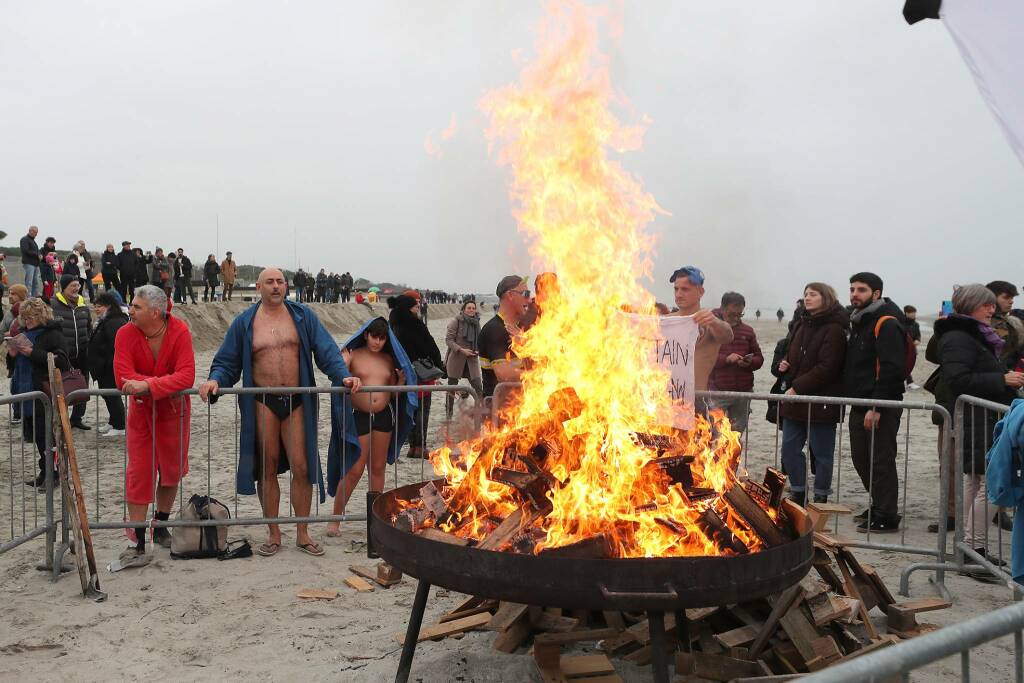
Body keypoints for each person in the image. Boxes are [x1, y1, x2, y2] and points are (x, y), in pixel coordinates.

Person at [199, 268, 361, 558]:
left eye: (280, 282)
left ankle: (302, 532)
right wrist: (216, 379)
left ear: (286, 286)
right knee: (267, 466)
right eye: (270, 282)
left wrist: (342, 376)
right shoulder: (245, 323)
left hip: (297, 399)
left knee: (302, 466)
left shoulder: (302, 316)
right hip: (262, 400)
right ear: (258, 286)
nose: (276, 287)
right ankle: (274, 533)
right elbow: (227, 361)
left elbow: (326, 352)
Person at [931, 284, 1022, 570]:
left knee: (977, 482)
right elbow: (959, 380)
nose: (992, 309)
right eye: (987, 305)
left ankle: (971, 547)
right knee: (991, 484)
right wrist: (1002, 381)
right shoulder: (959, 337)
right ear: (971, 305)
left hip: (980, 417)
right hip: (977, 417)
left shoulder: (969, 334)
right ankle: (974, 549)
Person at [113, 285, 195, 567]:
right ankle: (135, 539)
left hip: (174, 412)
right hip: (141, 415)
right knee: (139, 472)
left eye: (136, 307)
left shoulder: (180, 330)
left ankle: (160, 524)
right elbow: (123, 376)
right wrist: (153, 386)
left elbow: (187, 375)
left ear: (155, 312)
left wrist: (147, 384)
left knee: (172, 470)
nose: (130, 310)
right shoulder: (125, 333)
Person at [327, 317, 416, 536]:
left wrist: (401, 383)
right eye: (374, 337)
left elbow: (393, 393)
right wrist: (344, 363)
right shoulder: (353, 355)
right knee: (355, 469)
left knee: (377, 468)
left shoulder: (388, 359)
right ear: (366, 335)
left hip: (383, 416)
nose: (377, 342)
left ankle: (375, 518)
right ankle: (335, 519)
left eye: (382, 338)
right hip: (360, 415)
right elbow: (340, 377)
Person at [845, 272, 907, 533]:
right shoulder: (859, 322)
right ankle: (879, 502)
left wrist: (877, 407)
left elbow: (892, 369)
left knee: (881, 460)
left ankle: (887, 514)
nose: (854, 294)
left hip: (880, 405)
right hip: (859, 403)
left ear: (876, 294)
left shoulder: (886, 322)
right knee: (861, 459)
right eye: (852, 289)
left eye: (861, 289)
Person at [778, 283, 848, 506]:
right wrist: (784, 365)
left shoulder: (835, 329)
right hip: (795, 400)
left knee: (822, 452)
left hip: (821, 401)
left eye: (813, 294)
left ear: (825, 298)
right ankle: (798, 490)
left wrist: (797, 387)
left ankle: (821, 494)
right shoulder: (800, 324)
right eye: (806, 294)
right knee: (789, 448)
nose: (807, 298)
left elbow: (828, 367)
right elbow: (792, 354)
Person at [9, 298, 70, 488]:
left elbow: (62, 361)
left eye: (31, 318)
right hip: (26, 391)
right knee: (37, 437)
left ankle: (54, 476)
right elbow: (14, 366)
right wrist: (11, 355)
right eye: (25, 318)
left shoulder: (53, 334)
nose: (28, 322)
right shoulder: (23, 333)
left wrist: (32, 353)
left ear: (41, 315)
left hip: (44, 391)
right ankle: (45, 473)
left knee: (48, 437)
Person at [389, 293, 444, 458]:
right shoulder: (415, 324)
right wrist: (439, 364)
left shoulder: (394, 324)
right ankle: (420, 447)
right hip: (421, 373)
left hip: (403, 373)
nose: (418, 308)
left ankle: (412, 447)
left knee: (410, 409)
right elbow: (430, 346)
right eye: (415, 306)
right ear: (408, 308)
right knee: (422, 409)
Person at [669, 266, 734, 396]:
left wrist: (714, 322)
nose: (679, 294)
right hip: (663, 400)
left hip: (695, 399)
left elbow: (728, 336)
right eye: (676, 289)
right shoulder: (665, 321)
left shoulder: (709, 323)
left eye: (685, 289)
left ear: (701, 292)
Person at [708, 292, 763, 435]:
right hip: (717, 390)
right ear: (722, 308)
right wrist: (726, 359)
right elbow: (703, 357)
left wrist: (750, 362)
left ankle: (733, 458)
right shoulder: (709, 328)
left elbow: (759, 358)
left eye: (740, 315)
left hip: (743, 392)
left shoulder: (748, 331)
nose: (736, 318)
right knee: (714, 433)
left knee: (736, 434)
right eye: (732, 314)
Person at [50, 274, 92, 430]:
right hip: (62, 354)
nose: (76, 288)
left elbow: (89, 328)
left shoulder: (83, 306)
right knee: (62, 388)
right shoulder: (53, 304)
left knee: (82, 386)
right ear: (64, 287)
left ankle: (77, 418)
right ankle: (61, 419)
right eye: (73, 285)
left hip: (81, 353)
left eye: (78, 285)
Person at [479, 275, 530, 402]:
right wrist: (540, 375)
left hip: (522, 405)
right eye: (525, 294)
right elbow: (504, 374)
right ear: (510, 295)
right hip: (500, 410)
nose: (528, 300)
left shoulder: (521, 329)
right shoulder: (494, 330)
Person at [88, 292, 128, 436]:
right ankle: (113, 421)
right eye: (95, 306)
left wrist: (107, 364)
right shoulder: (106, 320)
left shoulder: (114, 321)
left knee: (112, 396)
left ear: (109, 306)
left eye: (99, 306)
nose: (96, 309)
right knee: (107, 396)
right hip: (103, 367)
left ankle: (120, 425)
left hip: (109, 368)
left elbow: (115, 346)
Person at [445, 299, 483, 418]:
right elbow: (448, 340)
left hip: (471, 360)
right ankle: (449, 412)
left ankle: (481, 412)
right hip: (456, 359)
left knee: (478, 386)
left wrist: (478, 350)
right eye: (469, 308)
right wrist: (461, 350)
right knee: (451, 387)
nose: (471, 310)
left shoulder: (477, 322)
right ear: (463, 309)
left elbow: (479, 341)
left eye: (473, 308)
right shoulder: (455, 321)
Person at [986, 281, 1024, 370]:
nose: (1011, 301)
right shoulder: (984, 322)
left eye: (1012, 298)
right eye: (1006, 297)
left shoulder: (1013, 320)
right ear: (992, 298)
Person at [903, 305, 922, 390]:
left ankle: (908, 381)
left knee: (909, 364)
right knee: (904, 364)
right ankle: (910, 382)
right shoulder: (901, 322)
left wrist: (917, 340)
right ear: (906, 313)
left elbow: (918, 335)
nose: (914, 315)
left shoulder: (916, 324)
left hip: (912, 348)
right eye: (912, 313)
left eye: (915, 313)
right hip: (903, 348)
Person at [20, 226, 42, 297]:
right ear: (29, 230)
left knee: (36, 283)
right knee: (29, 282)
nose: (35, 233)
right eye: (34, 231)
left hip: (35, 264)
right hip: (29, 263)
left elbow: (36, 251)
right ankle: (27, 298)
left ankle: (34, 298)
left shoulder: (33, 241)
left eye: (36, 232)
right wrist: (37, 255)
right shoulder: (24, 239)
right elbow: (25, 250)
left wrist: (39, 255)